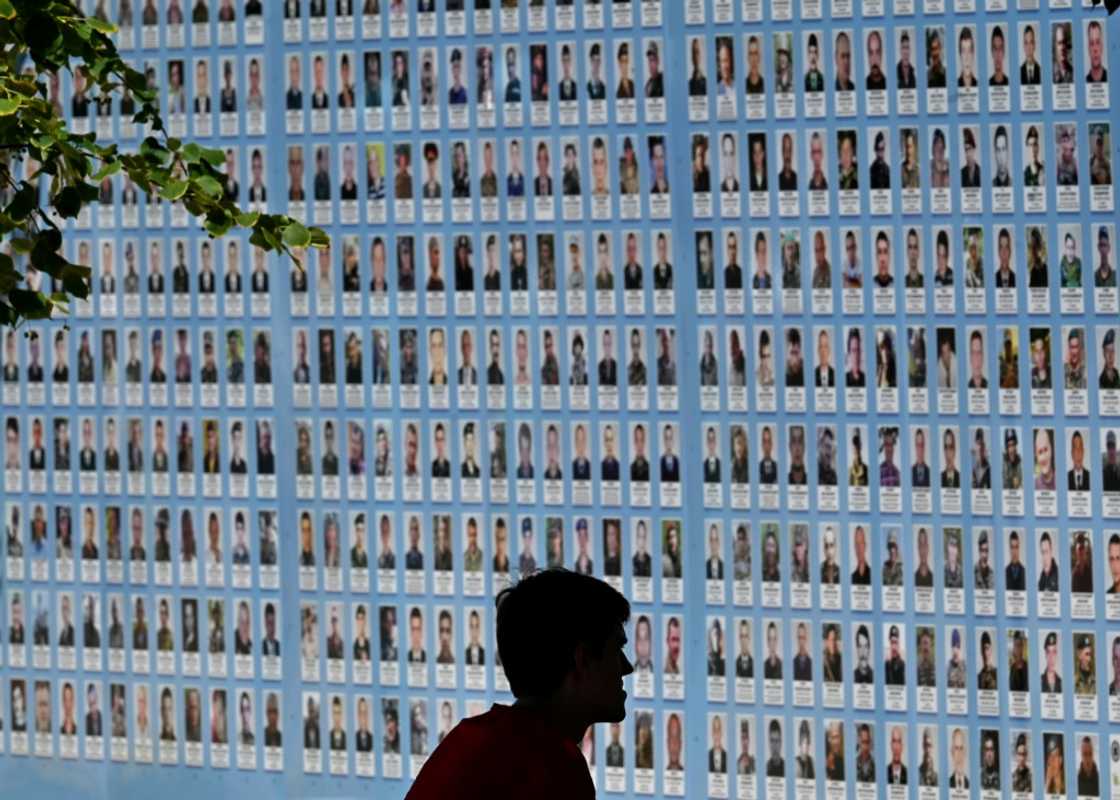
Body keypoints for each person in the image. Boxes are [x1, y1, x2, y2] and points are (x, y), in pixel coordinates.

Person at [406, 570, 632, 800]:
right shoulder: (556, 768)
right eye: (617, 650)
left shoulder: (464, 740)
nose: (627, 667)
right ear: (582, 659)